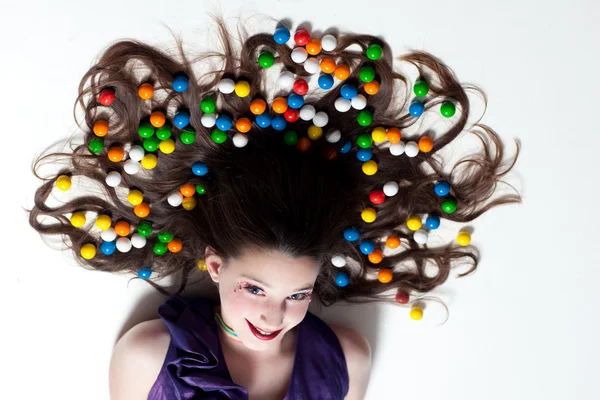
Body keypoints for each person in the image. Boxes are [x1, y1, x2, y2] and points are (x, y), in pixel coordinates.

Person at [28, 16, 520, 400]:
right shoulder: (149, 356)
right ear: (216, 266)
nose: (274, 315)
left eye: (297, 294)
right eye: (255, 288)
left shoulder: (348, 359)